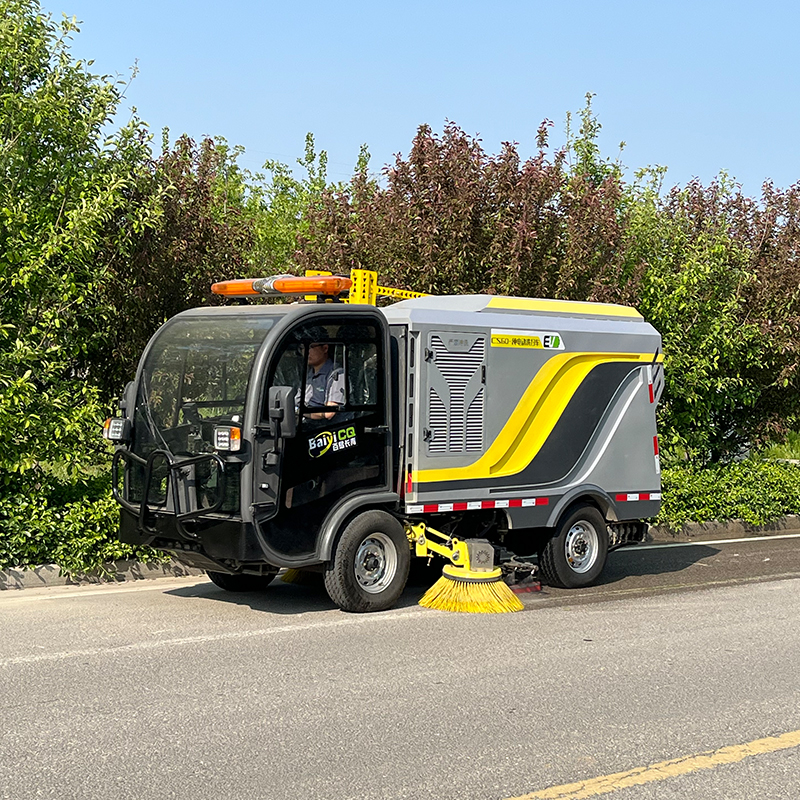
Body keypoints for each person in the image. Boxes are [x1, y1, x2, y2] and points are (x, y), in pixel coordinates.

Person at [303, 340, 345, 420]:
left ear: (325, 348)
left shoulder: (337, 374)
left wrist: (301, 412)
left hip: (327, 428)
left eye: (310, 347)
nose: (305, 351)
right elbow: (296, 401)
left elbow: (329, 413)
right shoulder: (309, 374)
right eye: (302, 347)